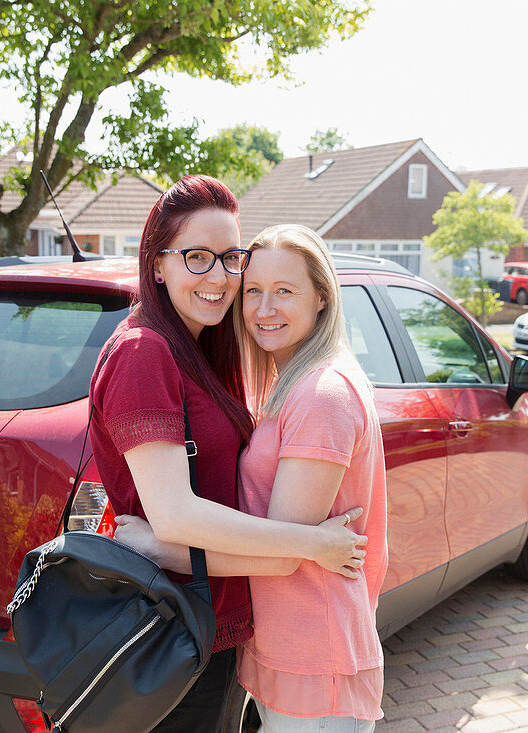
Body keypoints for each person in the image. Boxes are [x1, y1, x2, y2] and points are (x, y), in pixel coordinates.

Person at [89, 176, 366, 733]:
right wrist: (312, 545)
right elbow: (173, 517)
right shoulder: (144, 352)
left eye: (230, 257)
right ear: (157, 264)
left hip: (211, 623)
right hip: (173, 624)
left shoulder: (199, 352)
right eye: (197, 257)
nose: (220, 277)